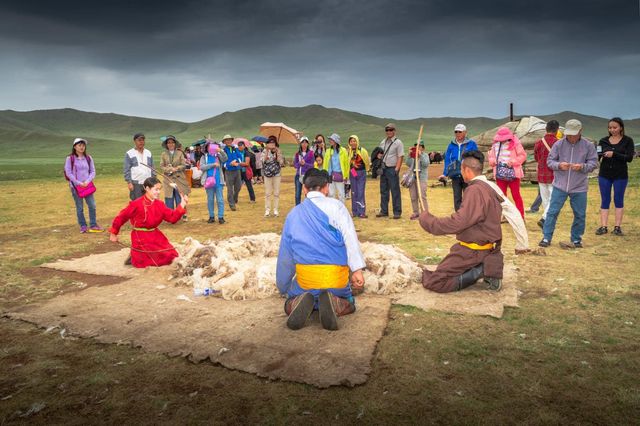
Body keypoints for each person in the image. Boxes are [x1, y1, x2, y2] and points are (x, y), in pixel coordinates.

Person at [276, 168, 366, 330]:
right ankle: (338, 303)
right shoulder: (337, 207)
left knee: (288, 302)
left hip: (305, 282)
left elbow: (286, 257)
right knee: (350, 303)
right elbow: (350, 239)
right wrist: (357, 270)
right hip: (335, 281)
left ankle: (296, 303)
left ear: (304, 188)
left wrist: (283, 286)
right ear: (326, 188)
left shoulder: (293, 214)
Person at [419, 150, 503, 293]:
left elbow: (459, 222)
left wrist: (429, 222)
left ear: (466, 170)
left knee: (435, 281)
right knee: (438, 271)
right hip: (485, 247)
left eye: (461, 169)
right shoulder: (487, 187)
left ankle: (480, 269)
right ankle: (487, 266)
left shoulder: (475, 190)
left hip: (473, 250)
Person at [540, 119, 598, 249]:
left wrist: (582, 166)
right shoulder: (558, 144)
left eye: (574, 134)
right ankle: (546, 237)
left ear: (580, 131)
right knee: (552, 212)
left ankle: (576, 239)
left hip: (579, 187)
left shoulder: (588, 146)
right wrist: (559, 165)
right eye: (569, 134)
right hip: (560, 185)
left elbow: (594, 163)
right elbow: (550, 161)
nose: (571, 137)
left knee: (580, 214)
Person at [109, 177, 188, 268]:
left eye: (159, 189)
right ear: (147, 188)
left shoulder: (160, 204)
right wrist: (113, 233)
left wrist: (182, 204)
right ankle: (135, 255)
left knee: (171, 256)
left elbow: (172, 218)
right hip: (141, 237)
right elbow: (121, 217)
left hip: (156, 235)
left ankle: (135, 254)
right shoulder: (136, 204)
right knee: (153, 261)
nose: (158, 192)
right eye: (156, 189)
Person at [596, 117, 635, 236]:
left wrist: (614, 154)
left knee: (618, 200)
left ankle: (617, 227)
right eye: (610, 127)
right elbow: (597, 156)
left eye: (615, 127)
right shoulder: (603, 141)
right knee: (605, 200)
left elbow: (629, 158)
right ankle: (603, 227)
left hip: (620, 175)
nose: (612, 130)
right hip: (604, 175)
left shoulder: (628, 141)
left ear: (621, 128)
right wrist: (597, 156)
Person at [64, 138, 103, 233]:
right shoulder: (70, 158)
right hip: (76, 187)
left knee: (92, 205)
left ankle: (93, 225)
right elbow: (68, 173)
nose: (82, 147)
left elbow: (93, 171)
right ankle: (83, 226)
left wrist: (87, 181)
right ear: (74, 147)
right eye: (79, 145)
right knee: (80, 207)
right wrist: (79, 183)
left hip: (87, 186)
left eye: (83, 145)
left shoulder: (88, 158)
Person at [488, 127, 527, 218]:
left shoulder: (515, 144)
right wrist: (493, 161)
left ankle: (521, 216)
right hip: (500, 174)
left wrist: (513, 161)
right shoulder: (495, 145)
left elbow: (523, 155)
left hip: (513, 174)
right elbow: (491, 157)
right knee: (501, 196)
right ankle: (504, 215)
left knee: (516, 195)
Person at [440, 124, 478, 211]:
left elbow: (476, 158)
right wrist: (445, 173)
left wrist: (474, 172)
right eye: (456, 132)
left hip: (468, 175)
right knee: (457, 197)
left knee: (468, 196)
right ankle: (459, 217)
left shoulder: (471, 144)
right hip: (455, 175)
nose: (458, 133)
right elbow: (447, 161)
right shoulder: (451, 145)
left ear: (465, 132)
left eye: (460, 132)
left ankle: (468, 215)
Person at [533, 120, 560, 228]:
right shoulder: (558, 143)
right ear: (557, 130)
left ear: (546, 129)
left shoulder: (538, 143)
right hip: (554, 174)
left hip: (541, 174)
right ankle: (545, 218)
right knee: (553, 199)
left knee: (545, 199)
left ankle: (547, 221)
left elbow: (536, 158)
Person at [377, 123, 404, 219]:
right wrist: (379, 156)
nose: (389, 132)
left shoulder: (398, 142)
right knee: (383, 190)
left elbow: (400, 156)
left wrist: (397, 169)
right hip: (383, 169)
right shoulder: (383, 142)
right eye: (387, 130)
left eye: (391, 130)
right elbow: (380, 154)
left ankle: (397, 212)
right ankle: (384, 211)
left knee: (395, 190)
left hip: (392, 168)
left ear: (394, 131)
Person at [160, 135, 190, 221]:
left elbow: (184, 165)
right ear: (166, 144)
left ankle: (183, 214)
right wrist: (170, 169)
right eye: (169, 142)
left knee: (180, 196)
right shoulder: (163, 154)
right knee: (169, 197)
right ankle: (170, 216)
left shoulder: (180, 153)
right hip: (168, 179)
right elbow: (162, 166)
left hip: (179, 178)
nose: (171, 144)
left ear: (175, 143)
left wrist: (176, 168)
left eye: (172, 142)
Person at [200, 141, 228, 224]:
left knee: (220, 200)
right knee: (210, 199)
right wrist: (213, 165)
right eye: (209, 146)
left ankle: (221, 217)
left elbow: (225, 159)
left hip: (219, 181)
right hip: (208, 181)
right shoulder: (204, 157)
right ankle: (211, 216)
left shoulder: (218, 156)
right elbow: (202, 167)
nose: (211, 148)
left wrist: (221, 151)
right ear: (206, 148)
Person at [124, 133, 154, 200]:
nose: (141, 142)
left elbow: (152, 168)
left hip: (148, 183)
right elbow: (127, 169)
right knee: (137, 203)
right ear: (135, 141)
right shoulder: (129, 153)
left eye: (143, 140)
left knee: (149, 201)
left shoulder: (148, 153)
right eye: (139, 140)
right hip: (136, 184)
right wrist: (129, 182)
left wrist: (153, 181)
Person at [321, 133, 349, 203]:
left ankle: (342, 210)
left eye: (331, 139)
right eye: (330, 139)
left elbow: (346, 164)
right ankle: (332, 210)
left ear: (336, 141)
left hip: (340, 174)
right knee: (331, 194)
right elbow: (325, 163)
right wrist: (325, 174)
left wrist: (346, 175)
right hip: (330, 175)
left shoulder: (343, 151)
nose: (330, 141)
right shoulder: (328, 151)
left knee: (341, 194)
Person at [347, 135, 370, 218]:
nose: (353, 143)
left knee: (360, 192)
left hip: (361, 172)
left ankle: (362, 212)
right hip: (352, 172)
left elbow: (367, 161)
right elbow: (348, 163)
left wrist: (366, 170)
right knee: (354, 192)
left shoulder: (362, 151)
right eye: (351, 141)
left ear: (357, 141)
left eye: (354, 141)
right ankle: (355, 212)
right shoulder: (349, 151)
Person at [406, 140, 429, 220]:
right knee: (413, 196)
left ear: (423, 148)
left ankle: (425, 214)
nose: (417, 147)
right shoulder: (412, 155)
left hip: (422, 178)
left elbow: (426, 164)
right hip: (412, 178)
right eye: (416, 145)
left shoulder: (425, 155)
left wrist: (420, 156)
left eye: (419, 146)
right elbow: (407, 163)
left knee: (422, 196)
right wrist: (409, 155)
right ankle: (416, 212)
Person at [262, 136, 284, 217]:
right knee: (267, 193)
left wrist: (277, 154)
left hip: (277, 174)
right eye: (270, 142)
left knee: (276, 193)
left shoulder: (278, 151)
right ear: (267, 144)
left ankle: (275, 209)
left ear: (276, 143)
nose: (271, 144)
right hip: (267, 174)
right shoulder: (264, 151)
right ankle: (267, 210)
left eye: (273, 142)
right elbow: (262, 161)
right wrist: (267, 152)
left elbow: (281, 162)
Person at [221, 134, 242, 211]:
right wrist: (230, 163)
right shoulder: (223, 151)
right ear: (224, 142)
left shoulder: (235, 149)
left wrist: (236, 161)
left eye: (230, 139)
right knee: (230, 189)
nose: (229, 141)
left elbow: (240, 157)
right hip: (229, 171)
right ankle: (231, 204)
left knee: (238, 186)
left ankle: (234, 197)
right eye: (227, 140)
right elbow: (223, 162)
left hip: (237, 169)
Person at [293, 136, 315, 205]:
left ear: (308, 144)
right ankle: (298, 209)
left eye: (306, 142)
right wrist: (300, 163)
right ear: (300, 144)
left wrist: (305, 164)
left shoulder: (311, 153)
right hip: (298, 175)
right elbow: (295, 165)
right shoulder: (297, 154)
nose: (304, 144)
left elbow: (312, 165)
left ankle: (307, 208)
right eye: (303, 142)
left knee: (308, 194)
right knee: (297, 195)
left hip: (307, 176)